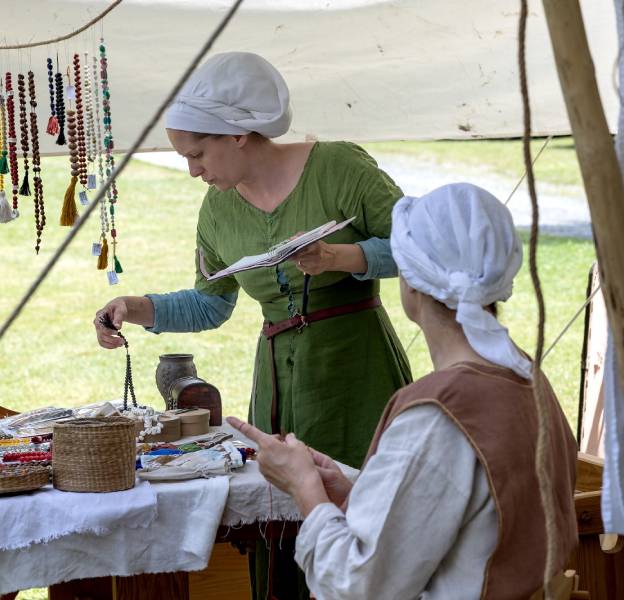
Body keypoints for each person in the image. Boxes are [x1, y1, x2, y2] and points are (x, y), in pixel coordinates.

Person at [94, 52, 412, 598]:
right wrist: (137, 307)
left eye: (198, 153)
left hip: (356, 370)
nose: (194, 170)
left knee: (364, 508)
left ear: (238, 134)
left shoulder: (340, 169)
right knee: (282, 515)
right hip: (279, 379)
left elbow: (418, 246)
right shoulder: (217, 210)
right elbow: (211, 303)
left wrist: (342, 258)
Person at [229, 183, 579, 599]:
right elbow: (473, 522)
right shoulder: (527, 379)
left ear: (411, 283)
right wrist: (354, 490)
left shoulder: (442, 414)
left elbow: (357, 586)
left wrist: (304, 491)